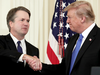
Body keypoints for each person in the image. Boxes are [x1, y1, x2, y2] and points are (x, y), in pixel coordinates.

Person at [28, 1, 100, 75]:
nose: (67, 21)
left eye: (69, 17)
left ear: (82, 19)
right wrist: (41, 66)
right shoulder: (73, 39)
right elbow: (63, 69)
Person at [0, 6, 41, 75]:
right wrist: (24, 56)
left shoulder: (34, 50)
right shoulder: (1, 41)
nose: (26, 24)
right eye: (22, 20)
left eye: (28, 21)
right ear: (11, 23)